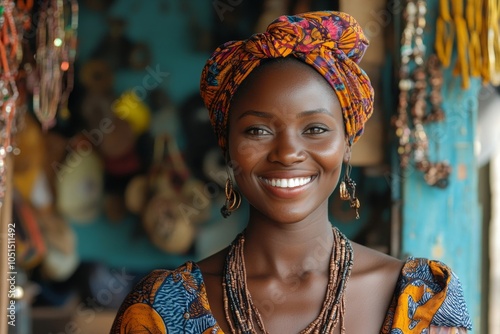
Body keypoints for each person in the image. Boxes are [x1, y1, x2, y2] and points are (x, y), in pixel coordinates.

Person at [110, 11, 472, 333]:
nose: (287, 153)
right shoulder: (159, 313)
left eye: (315, 129)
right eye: (258, 130)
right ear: (227, 145)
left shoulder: (425, 304)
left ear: (347, 144)